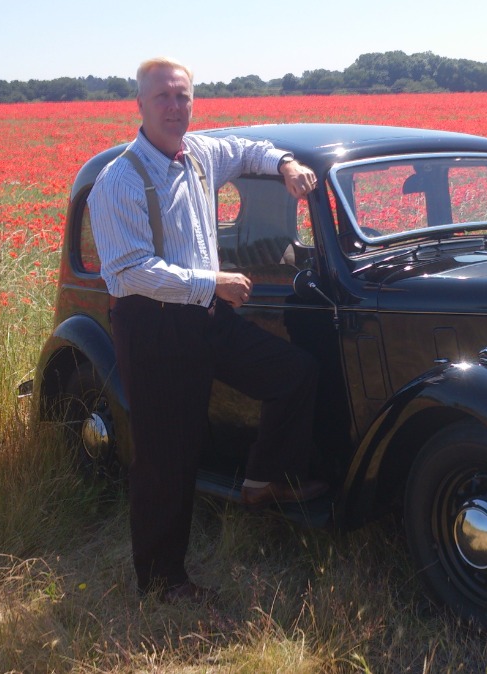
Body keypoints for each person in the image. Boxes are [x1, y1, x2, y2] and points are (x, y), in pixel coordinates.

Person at [88, 57, 329, 603]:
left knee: (293, 372)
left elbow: (249, 149)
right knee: (166, 456)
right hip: (153, 325)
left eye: (183, 97)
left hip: (206, 316)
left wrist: (287, 164)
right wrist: (211, 281)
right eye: (163, 98)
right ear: (141, 106)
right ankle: (161, 581)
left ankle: (265, 478)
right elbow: (128, 271)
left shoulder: (199, 154)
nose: (175, 108)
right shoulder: (120, 180)